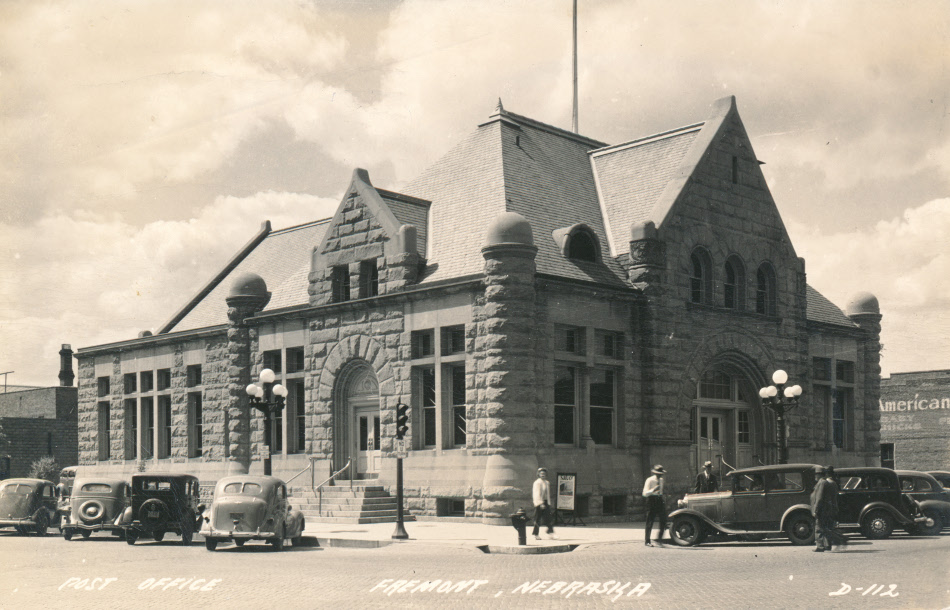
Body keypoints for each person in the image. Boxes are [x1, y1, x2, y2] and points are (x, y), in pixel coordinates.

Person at [812, 465, 847, 552]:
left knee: (819, 528)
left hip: (822, 510)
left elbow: (819, 498)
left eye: (816, 474)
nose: (815, 476)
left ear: (819, 475)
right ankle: (828, 545)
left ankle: (820, 546)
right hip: (830, 509)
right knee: (827, 527)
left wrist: (816, 510)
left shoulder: (821, 483)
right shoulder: (832, 483)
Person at [643, 465, 667, 547]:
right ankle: (647, 541)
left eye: (661, 474)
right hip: (651, 500)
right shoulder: (649, 480)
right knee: (650, 521)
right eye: (658, 474)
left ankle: (659, 539)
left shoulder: (661, 480)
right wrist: (653, 490)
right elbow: (644, 493)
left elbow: (661, 491)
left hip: (659, 500)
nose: (660, 475)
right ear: (655, 473)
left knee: (663, 519)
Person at [532, 467, 555, 540]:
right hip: (539, 502)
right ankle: (536, 534)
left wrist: (548, 503)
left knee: (549, 518)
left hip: (546, 502)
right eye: (541, 473)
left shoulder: (547, 482)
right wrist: (540, 503)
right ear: (538, 474)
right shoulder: (537, 482)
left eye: (544, 473)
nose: (543, 475)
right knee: (538, 518)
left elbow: (547, 494)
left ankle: (550, 532)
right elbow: (536, 494)